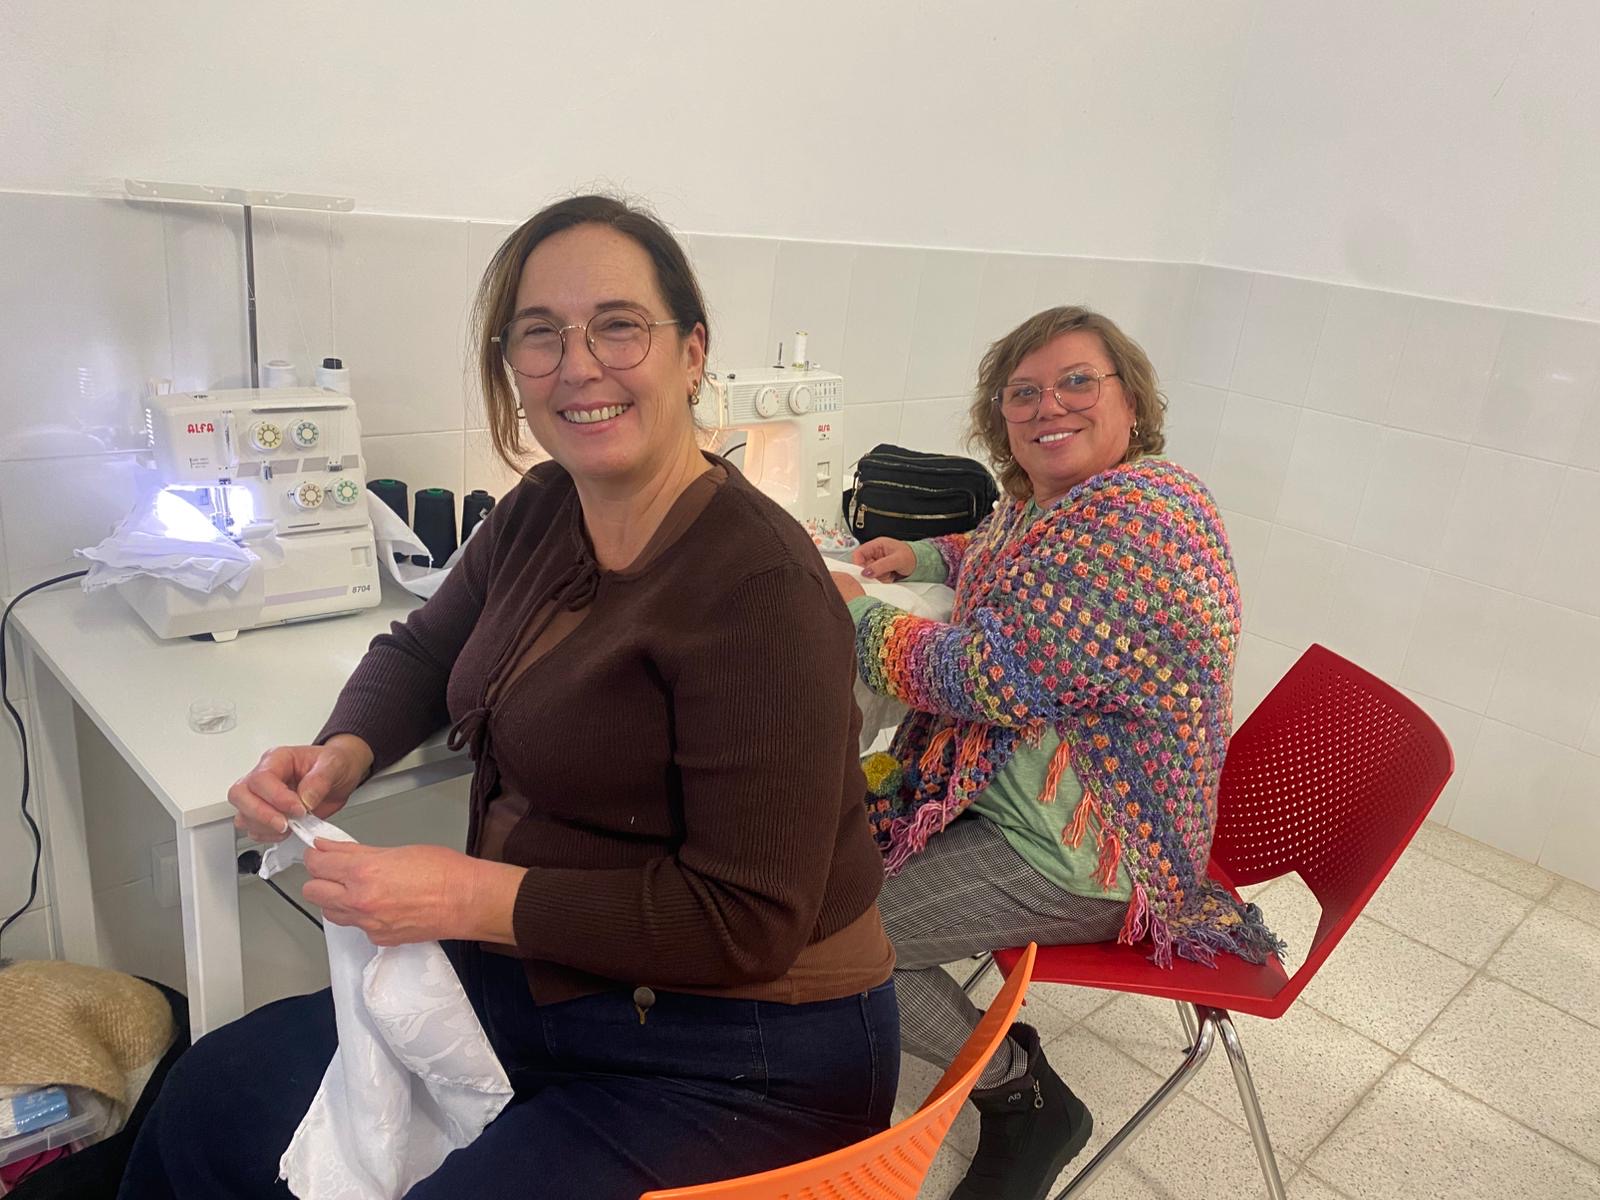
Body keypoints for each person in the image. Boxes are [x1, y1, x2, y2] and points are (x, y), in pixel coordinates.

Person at [120, 195, 899, 1199]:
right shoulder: (541, 510)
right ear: (512, 369)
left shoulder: (759, 589)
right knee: (214, 1094)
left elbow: (744, 921)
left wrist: (461, 896)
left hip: (745, 1047)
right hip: (551, 980)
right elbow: (422, 649)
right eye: (540, 334)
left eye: (618, 325)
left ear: (692, 353)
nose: (578, 364)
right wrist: (342, 752)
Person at [831, 306, 1279, 1200]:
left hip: (1099, 848)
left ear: (1130, 401)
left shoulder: (1142, 526)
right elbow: (1002, 548)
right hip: (1028, 800)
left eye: (1077, 382)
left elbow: (986, 677)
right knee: (827, 868)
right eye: (1023, 392)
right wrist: (921, 555)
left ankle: (1024, 1097)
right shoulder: (1062, 508)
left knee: (839, 937)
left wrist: (851, 609)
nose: (1049, 406)